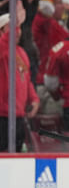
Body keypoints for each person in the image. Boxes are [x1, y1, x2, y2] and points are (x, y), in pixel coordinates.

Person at [0, 13, 40, 152]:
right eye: (10, 27)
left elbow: (27, 80)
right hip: (2, 116)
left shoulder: (21, 52)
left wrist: (34, 99)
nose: (17, 31)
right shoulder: (1, 49)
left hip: (18, 116)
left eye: (18, 28)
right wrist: (16, 22)